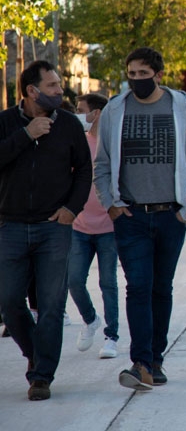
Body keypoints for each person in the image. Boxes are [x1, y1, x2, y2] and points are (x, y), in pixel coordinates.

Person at [94, 47, 186, 390]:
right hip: (130, 215)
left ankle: (156, 359)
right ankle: (140, 362)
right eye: (131, 74)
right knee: (138, 286)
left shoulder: (182, 107)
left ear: (159, 75)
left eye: (143, 74)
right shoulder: (116, 109)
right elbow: (102, 164)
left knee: (161, 288)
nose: (137, 80)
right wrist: (110, 204)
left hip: (170, 216)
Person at [0, 60, 92, 400]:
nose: (59, 91)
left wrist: (72, 209)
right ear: (31, 91)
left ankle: (41, 376)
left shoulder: (68, 124)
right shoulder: (6, 123)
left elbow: (83, 170)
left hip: (54, 227)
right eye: (52, 86)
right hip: (8, 226)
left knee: (52, 305)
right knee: (9, 302)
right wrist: (26, 135)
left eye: (59, 84)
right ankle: (36, 355)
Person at [67, 93, 121, 359]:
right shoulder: (78, 143)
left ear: (97, 113)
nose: (79, 114)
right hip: (79, 225)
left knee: (108, 282)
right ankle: (90, 319)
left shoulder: (113, 144)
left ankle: (112, 336)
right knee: (74, 280)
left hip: (109, 226)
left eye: (81, 110)